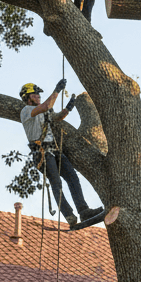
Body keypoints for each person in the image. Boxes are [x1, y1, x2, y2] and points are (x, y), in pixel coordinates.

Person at [20, 79, 104, 228]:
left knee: (72, 177)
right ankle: (69, 215)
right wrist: (57, 90)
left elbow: (57, 117)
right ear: (27, 97)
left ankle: (83, 210)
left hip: (54, 150)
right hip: (42, 153)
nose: (38, 96)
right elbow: (47, 105)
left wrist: (69, 107)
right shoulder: (26, 111)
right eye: (35, 94)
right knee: (56, 183)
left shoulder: (44, 111)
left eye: (38, 94)